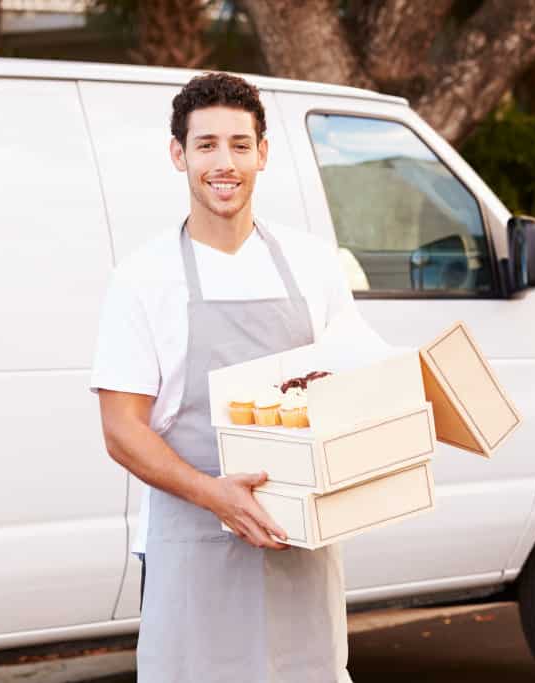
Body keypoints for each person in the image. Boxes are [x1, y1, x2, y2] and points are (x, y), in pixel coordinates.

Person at [91, 72, 356, 682]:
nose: (224, 162)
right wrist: (219, 498)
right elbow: (120, 429)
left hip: (301, 545)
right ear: (179, 155)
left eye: (240, 144)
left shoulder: (314, 266)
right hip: (192, 546)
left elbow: (348, 387)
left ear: (263, 154)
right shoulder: (142, 279)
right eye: (206, 145)